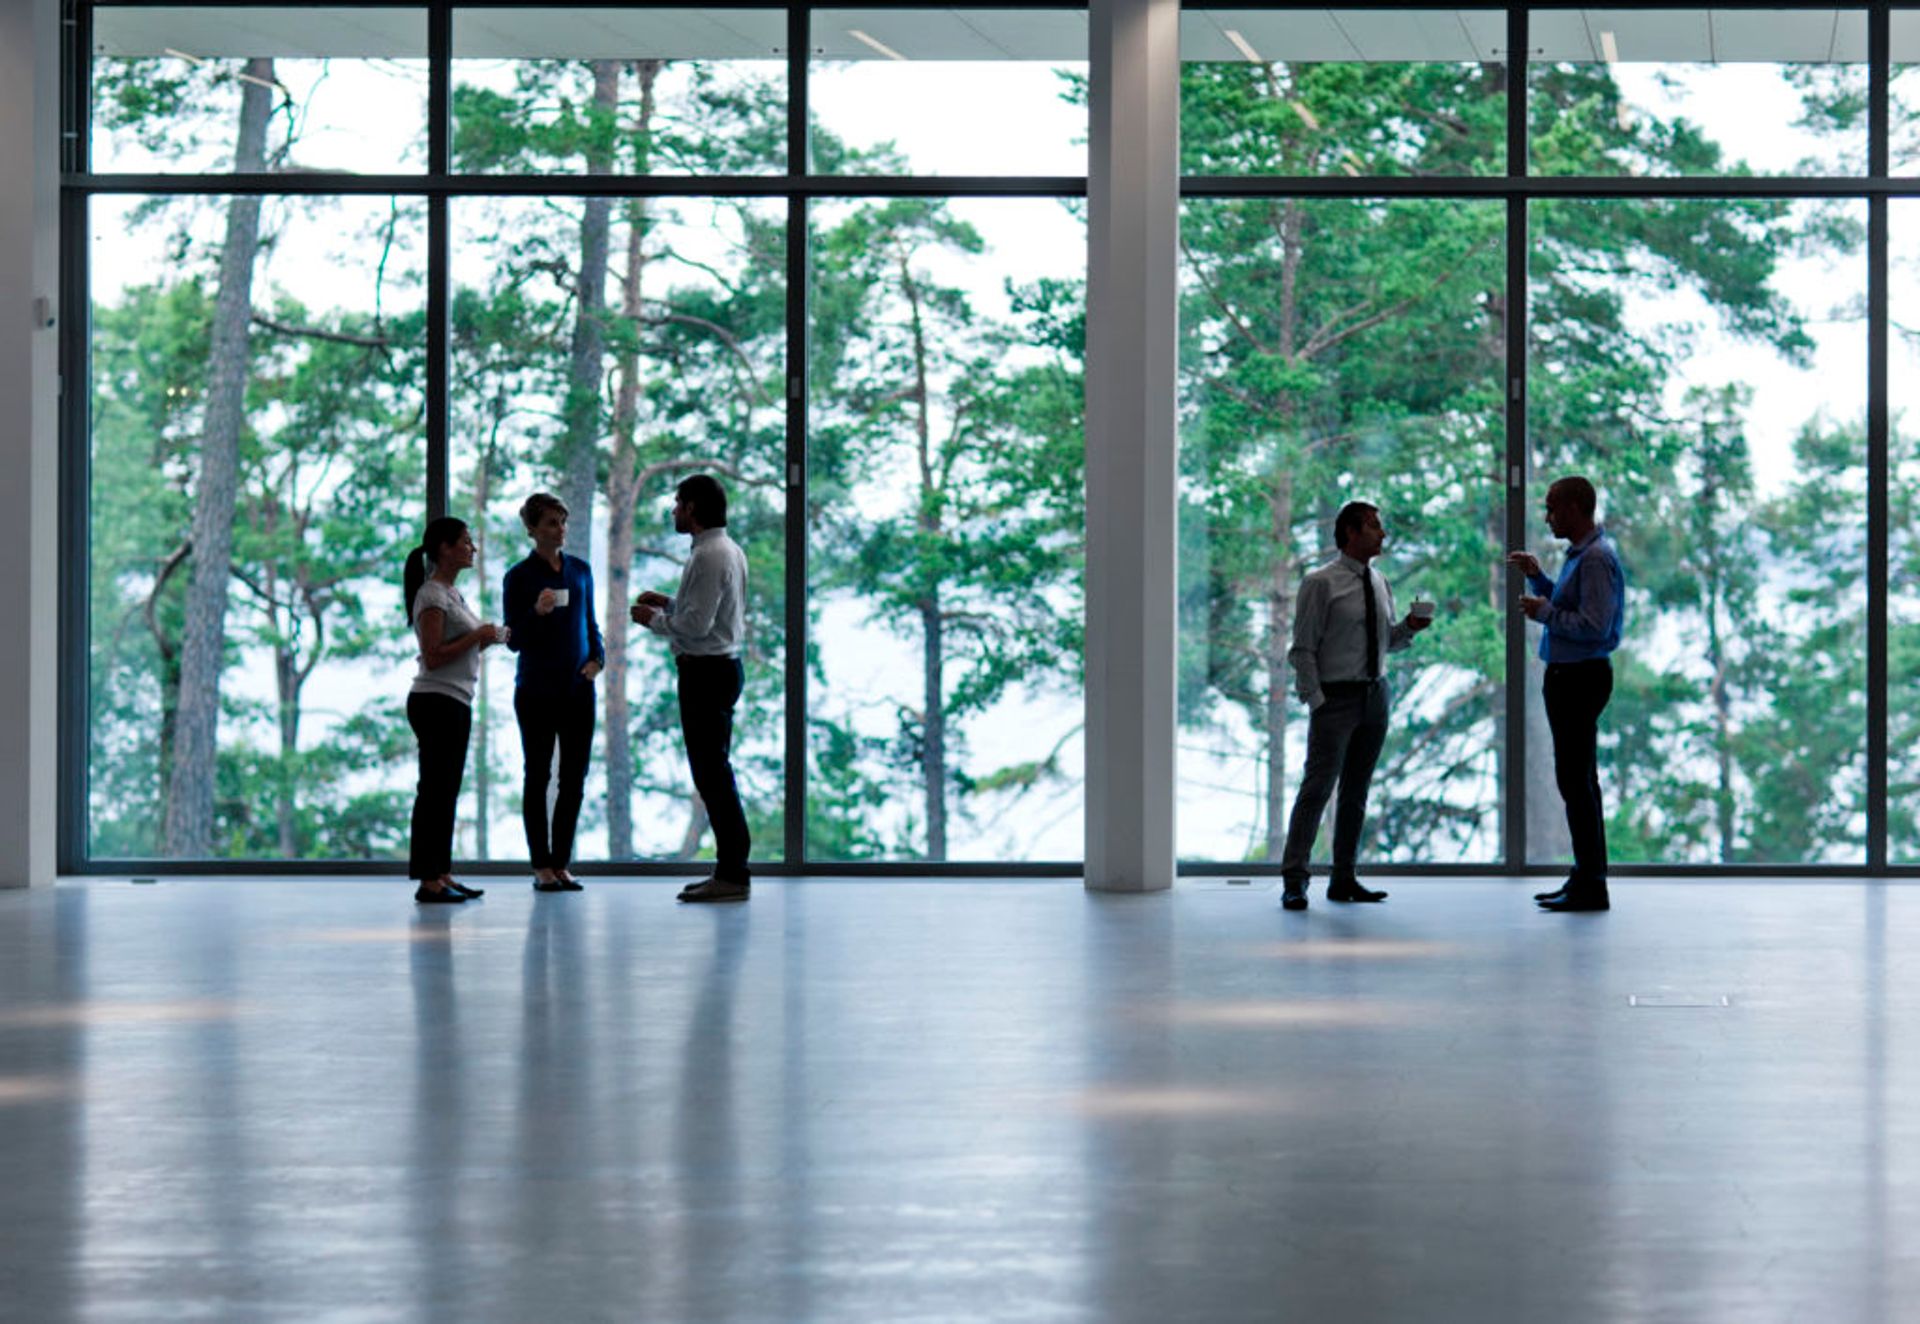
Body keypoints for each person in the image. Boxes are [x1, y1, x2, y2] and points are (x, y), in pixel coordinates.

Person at [1277, 502, 1431, 911]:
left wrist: (1410, 629)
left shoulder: (1380, 582)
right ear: (1350, 532)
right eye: (1375, 527)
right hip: (1335, 698)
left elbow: (1388, 642)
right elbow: (1303, 649)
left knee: (1356, 792)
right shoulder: (1319, 583)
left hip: (1375, 695)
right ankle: (1295, 880)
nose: (1382, 534)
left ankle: (1343, 878)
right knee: (1316, 790)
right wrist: (1317, 700)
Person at [630, 474, 751, 903]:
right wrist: (669, 602)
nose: (674, 510)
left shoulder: (708, 555)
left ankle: (733, 873)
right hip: (722, 668)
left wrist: (653, 621)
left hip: (706, 672)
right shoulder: (727, 549)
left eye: (679, 503)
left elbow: (697, 628)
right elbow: (710, 614)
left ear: (694, 509)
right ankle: (730, 870)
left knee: (712, 775)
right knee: (715, 772)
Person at [1509, 475, 1625, 913]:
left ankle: (1592, 884)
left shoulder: (1596, 559)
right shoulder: (1584, 556)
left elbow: (1594, 625)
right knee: (1577, 781)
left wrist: (1545, 614)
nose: (1547, 515)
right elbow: (1573, 605)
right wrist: (1540, 580)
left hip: (1579, 677)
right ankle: (1585, 877)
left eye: (1552, 507)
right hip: (1572, 675)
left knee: (1576, 783)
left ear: (1575, 508)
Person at [503, 493, 605, 893]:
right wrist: (536, 613)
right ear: (532, 529)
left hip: (579, 689)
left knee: (574, 778)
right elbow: (513, 639)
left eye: (563, 521)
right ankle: (540, 865)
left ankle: (561, 862)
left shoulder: (580, 570)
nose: (560, 528)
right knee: (537, 775)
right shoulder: (519, 577)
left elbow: (591, 623)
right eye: (550, 523)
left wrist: (598, 660)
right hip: (536, 691)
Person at [403, 517, 504, 904]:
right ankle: (428, 880)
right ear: (444, 548)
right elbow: (433, 656)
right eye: (465, 542)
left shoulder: (452, 595)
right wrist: (478, 635)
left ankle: (441, 873)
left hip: (456, 699)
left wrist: (485, 639)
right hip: (435, 700)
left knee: (446, 790)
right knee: (434, 790)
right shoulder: (432, 595)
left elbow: (457, 648)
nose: (472, 548)